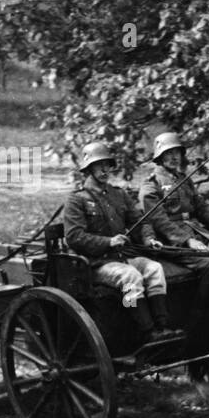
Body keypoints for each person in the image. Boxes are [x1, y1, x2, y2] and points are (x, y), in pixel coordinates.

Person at [63, 141, 182, 344]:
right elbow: (74, 237)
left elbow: (139, 221)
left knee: (154, 269)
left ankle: (163, 327)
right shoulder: (77, 200)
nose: (104, 170)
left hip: (122, 258)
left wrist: (148, 238)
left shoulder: (119, 194)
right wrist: (108, 242)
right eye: (98, 165)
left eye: (107, 165)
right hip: (96, 264)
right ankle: (145, 329)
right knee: (131, 277)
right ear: (88, 169)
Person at [139, 132, 209, 252]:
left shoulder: (183, 179)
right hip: (172, 239)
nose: (174, 157)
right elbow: (158, 220)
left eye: (177, 152)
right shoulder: (152, 183)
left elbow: (200, 205)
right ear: (160, 156)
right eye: (169, 153)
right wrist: (187, 240)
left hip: (195, 229)